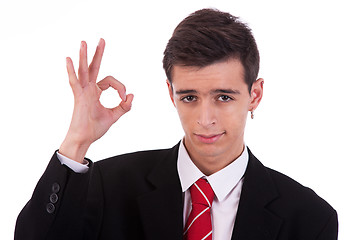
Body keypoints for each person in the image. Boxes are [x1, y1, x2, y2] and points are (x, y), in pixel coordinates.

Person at [15, 8, 338, 240]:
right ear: (171, 94)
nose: (205, 119)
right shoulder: (106, 185)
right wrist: (76, 143)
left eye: (223, 97)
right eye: (189, 97)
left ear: (254, 95)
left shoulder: (309, 217)